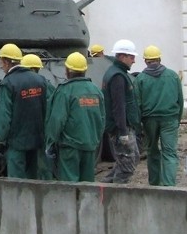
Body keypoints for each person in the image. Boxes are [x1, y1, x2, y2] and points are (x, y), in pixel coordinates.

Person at [45, 52, 105, 182]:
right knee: (87, 184)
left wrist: (50, 142)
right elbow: (102, 119)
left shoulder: (65, 91)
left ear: (67, 70)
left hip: (70, 148)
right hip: (89, 146)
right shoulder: (95, 91)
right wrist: (94, 140)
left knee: (69, 186)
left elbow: (57, 121)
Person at [0, 44, 47, 179]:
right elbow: (47, 109)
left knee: (16, 182)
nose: (0, 65)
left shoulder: (8, 83)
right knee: (33, 178)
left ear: (6, 61)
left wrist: (0, 140)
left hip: (16, 143)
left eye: (1, 61)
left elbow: (3, 117)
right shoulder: (39, 80)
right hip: (37, 140)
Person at [134, 45, 184, 186]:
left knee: (152, 151)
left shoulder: (140, 79)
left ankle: (154, 183)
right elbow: (180, 100)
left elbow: (137, 104)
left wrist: (140, 124)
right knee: (169, 152)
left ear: (145, 61)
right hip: (170, 119)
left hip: (149, 120)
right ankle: (169, 185)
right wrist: (177, 120)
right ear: (160, 59)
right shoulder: (173, 76)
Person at [101, 39, 141, 183]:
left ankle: (107, 186)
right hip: (121, 128)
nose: (134, 60)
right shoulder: (117, 76)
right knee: (127, 166)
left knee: (131, 158)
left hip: (121, 126)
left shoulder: (116, 73)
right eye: (131, 57)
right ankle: (115, 194)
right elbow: (119, 106)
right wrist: (123, 132)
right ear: (122, 57)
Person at [20, 53, 55, 180]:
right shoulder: (46, 84)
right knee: (43, 164)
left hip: (25, 133)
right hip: (42, 131)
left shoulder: (17, 85)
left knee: (32, 164)